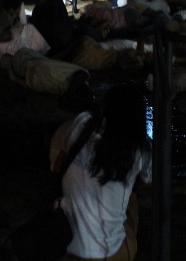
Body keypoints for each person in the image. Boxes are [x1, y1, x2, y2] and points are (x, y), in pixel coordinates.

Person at [48, 84, 152, 261]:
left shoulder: (82, 124)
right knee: (132, 195)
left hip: (64, 242)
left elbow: (57, 162)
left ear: (105, 108)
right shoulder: (141, 149)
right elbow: (147, 183)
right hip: (109, 253)